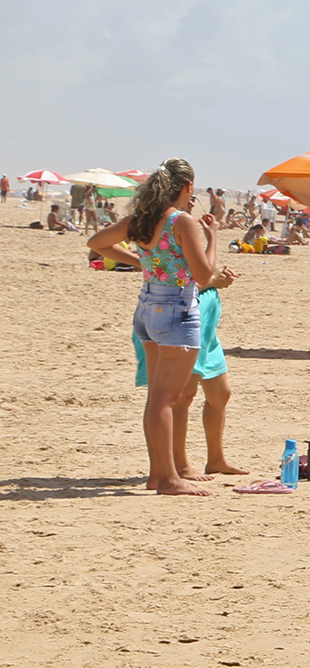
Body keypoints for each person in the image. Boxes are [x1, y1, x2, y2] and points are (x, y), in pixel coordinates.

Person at [89, 159, 222, 496]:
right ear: (187, 187)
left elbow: (98, 242)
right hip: (177, 310)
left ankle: (158, 474)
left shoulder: (144, 219)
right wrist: (213, 238)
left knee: (156, 398)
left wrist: (141, 263)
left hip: (147, 309)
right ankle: (168, 479)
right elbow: (204, 275)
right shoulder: (182, 221)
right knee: (166, 399)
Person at [123, 261, 246, 480]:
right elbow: (173, 290)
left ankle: (216, 459)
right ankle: (180, 465)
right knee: (182, 397)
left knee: (220, 394)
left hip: (206, 327)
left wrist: (216, 272)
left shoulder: (186, 242)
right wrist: (212, 281)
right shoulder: (168, 248)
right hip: (181, 325)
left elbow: (201, 271)